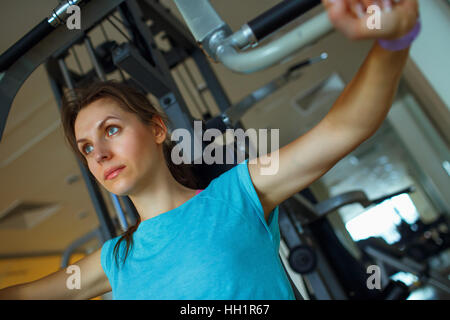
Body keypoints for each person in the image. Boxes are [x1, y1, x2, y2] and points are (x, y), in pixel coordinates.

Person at [0, 0, 420, 299]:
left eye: (111, 130)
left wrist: (395, 39)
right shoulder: (115, 260)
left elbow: (345, 128)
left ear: (159, 128)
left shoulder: (239, 195)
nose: (100, 155)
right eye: (87, 148)